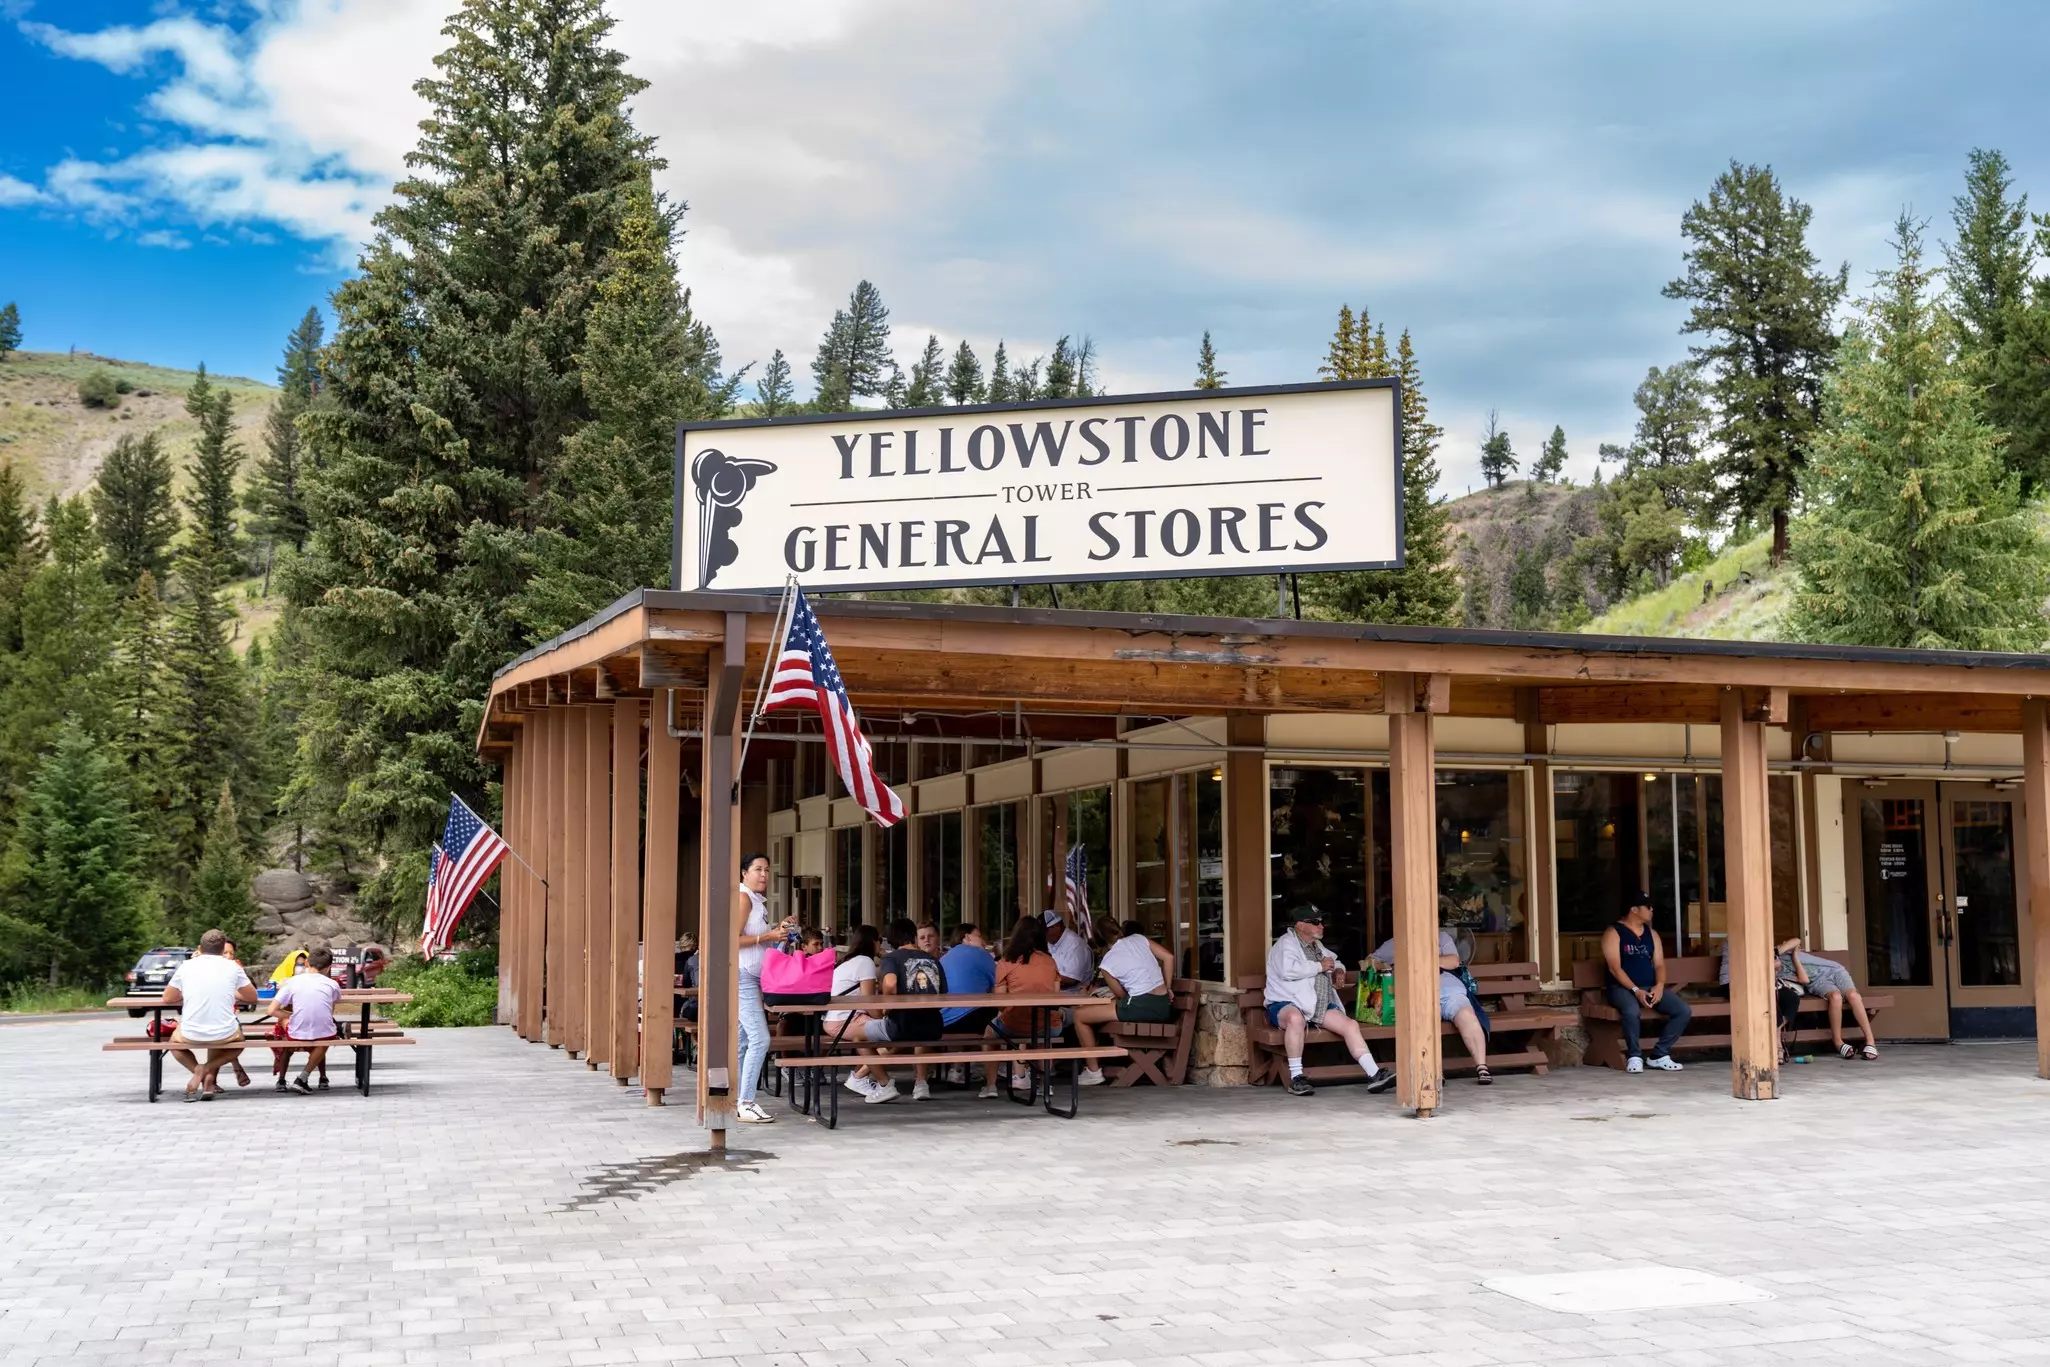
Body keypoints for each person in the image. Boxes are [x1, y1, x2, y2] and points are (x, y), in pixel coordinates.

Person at [1263, 907, 1395, 1097]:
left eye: (1321, 921)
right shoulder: (1285, 945)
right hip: (1286, 1003)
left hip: (1316, 1004)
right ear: (1300, 925)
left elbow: (1334, 961)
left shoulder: (1316, 945)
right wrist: (1320, 966)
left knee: (1349, 1025)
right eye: (1315, 922)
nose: (1321, 926)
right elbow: (1288, 970)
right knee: (1295, 1019)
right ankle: (1297, 1077)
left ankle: (1374, 1074)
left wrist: (1339, 970)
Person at [1369, 927, 1494, 1084]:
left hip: (1449, 991)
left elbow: (1454, 961)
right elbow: (1370, 961)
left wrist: (1425, 960)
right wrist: (1391, 966)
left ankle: (1482, 1067)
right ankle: (1432, 1071)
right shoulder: (1395, 943)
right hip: (1418, 996)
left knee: (1467, 1016)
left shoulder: (1441, 938)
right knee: (1423, 1021)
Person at [1072, 921, 1175, 1086]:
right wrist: (1168, 987)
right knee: (1095, 1012)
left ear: (1099, 941)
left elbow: (1120, 995)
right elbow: (1169, 957)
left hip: (1139, 1006)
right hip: (1163, 1005)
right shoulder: (1140, 939)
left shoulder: (1107, 962)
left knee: (1080, 1015)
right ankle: (1095, 1066)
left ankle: (1093, 1071)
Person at [734, 851, 796, 1125]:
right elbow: (732, 938)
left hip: (752, 977)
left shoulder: (756, 901)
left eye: (767, 870)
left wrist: (779, 931)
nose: (764, 874)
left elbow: (761, 941)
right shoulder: (743, 898)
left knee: (744, 1041)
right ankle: (746, 1102)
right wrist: (769, 935)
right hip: (743, 976)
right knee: (761, 1039)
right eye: (758, 869)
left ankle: (734, 1098)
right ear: (744, 873)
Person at [161, 928, 257, 1102]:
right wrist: (231, 992)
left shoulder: (186, 966)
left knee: (174, 1044)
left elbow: (168, 998)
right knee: (239, 1044)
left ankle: (199, 1070)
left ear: (199, 947)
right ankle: (207, 1071)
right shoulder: (233, 967)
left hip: (191, 1033)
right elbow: (252, 997)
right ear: (223, 950)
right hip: (224, 1033)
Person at [1600, 892, 1691, 1072]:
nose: (1651, 910)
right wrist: (1635, 990)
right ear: (1634, 910)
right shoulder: (1614, 932)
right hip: (1621, 988)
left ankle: (1659, 1055)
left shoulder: (1652, 934)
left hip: (1650, 986)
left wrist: (1659, 986)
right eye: (1647, 906)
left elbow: (1659, 964)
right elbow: (1615, 968)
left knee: (1682, 1010)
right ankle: (1634, 1056)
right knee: (1631, 1011)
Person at [981, 915, 1059, 1099]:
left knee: (989, 1032)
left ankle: (990, 1085)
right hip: (1049, 1025)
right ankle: (1045, 1084)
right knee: (1043, 1037)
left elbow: (1001, 1003)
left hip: (1014, 1024)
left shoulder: (1006, 961)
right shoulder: (1050, 961)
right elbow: (1056, 996)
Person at [874, 915, 948, 1102]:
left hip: (902, 1026)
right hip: (933, 1027)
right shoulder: (933, 960)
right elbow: (943, 994)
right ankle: (921, 1084)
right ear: (914, 936)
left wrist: (887, 1008)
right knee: (922, 1023)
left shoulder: (891, 958)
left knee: (858, 1034)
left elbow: (890, 984)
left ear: (890, 940)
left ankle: (882, 1083)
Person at [1786, 942, 1880, 1060]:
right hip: (1816, 981)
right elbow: (1804, 979)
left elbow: (1796, 941)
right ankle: (1838, 1042)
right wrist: (1795, 957)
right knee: (1836, 997)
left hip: (1836, 970)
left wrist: (1785, 950)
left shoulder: (1783, 952)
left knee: (1853, 995)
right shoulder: (1778, 971)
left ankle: (1870, 1041)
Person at [271, 946, 344, 1093]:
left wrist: (290, 1016)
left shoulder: (292, 982)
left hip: (296, 1032)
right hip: (324, 1031)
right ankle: (303, 1078)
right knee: (326, 1037)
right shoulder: (333, 984)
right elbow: (330, 1009)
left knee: (283, 1023)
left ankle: (283, 1078)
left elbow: (271, 1010)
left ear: (306, 963)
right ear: (328, 968)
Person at [938, 925, 998, 1084]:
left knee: (967, 1011)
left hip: (944, 1021)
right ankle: (1008, 1072)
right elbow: (998, 988)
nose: (984, 941)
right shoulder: (982, 955)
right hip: (973, 1020)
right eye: (979, 935)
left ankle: (956, 1069)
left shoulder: (944, 958)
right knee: (998, 1021)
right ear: (967, 937)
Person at [218, 939, 254, 1089]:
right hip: (213, 1018)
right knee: (220, 1040)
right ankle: (234, 1067)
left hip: (227, 1016)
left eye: (231, 953)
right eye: (224, 952)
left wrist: (228, 990)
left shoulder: (235, 967)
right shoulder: (201, 966)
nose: (228, 956)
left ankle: (208, 1078)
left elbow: (247, 994)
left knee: (226, 1038)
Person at [1043, 908, 1095, 989]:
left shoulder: (1075, 944)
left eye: (1045, 930)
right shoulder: (1049, 942)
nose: (1043, 934)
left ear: (1057, 926)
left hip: (1075, 997)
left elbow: (1071, 979)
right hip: (1053, 995)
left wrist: (1040, 977)